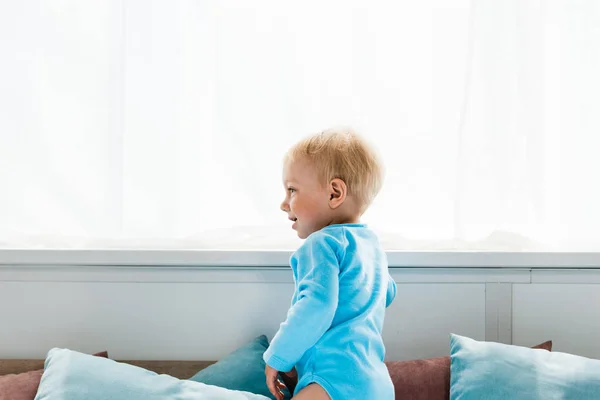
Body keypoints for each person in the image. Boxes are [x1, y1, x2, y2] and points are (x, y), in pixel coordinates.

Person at [264, 128, 397, 400]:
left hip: (331, 381)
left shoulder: (321, 243)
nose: (283, 203)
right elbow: (387, 293)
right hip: (377, 385)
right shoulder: (371, 245)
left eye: (292, 190)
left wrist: (277, 357)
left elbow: (317, 305)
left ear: (335, 193)